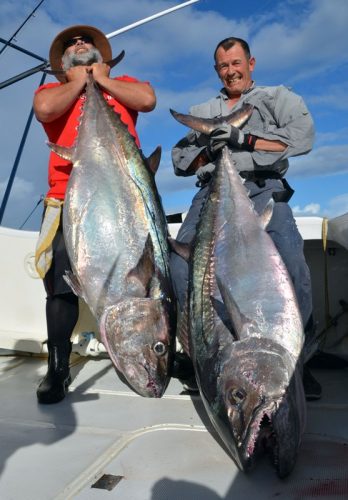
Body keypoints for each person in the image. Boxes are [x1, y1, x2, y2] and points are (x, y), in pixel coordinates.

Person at [170, 36, 321, 400]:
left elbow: (303, 138)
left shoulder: (277, 99)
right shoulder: (203, 108)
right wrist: (209, 149)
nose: (230, 71)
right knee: (180, 263)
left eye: (236, 63)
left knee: (290, 261)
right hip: (213, 193)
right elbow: (179, 161)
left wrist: (243, 138)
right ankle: (205, 354)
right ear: (216, 70)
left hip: (264, 188)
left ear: (250, 63)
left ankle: (299, 363)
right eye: (223, 66)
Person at [33, 25, 156, 404]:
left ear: (103, 57)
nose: (79, 44)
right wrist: (78, 82)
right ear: (62, 62)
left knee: (151, 273)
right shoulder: (51, 91)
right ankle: (58, 367)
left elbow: (147, 99)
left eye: (85, 41)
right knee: (62, 278)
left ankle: (161, 350)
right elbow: (45, 110)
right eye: (71, 44)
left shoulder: (121, 84)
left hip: (127, 196)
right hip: (71, 198)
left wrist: (102, 80)